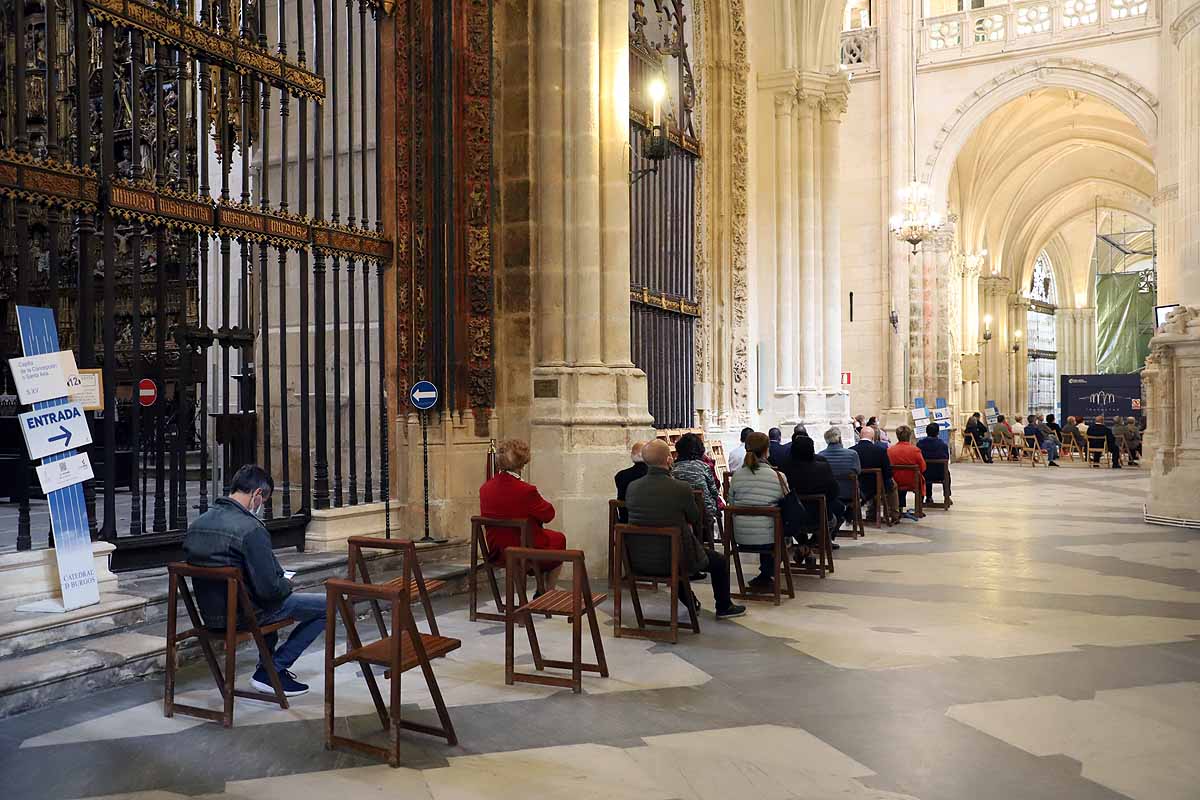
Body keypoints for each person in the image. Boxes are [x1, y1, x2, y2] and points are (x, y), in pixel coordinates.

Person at [183, 465, 321, 696]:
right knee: (327, 605)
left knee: (259, 596)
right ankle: (272, 669)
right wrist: (287, 582)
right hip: (243, 615)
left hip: (209, 615)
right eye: (263, 501)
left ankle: (267, 669)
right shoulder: (250, 529)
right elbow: (271, 590)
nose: (260, 507)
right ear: (257, 494)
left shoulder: (198, 524)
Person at [625, 440, 746, 619]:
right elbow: (695, 518)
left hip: (639, 560)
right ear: (668, 460)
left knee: (671, 551)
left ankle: (690, 602)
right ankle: (724, 606)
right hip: (674, 558)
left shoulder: (632, 487)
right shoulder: (680, 488)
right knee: (718, 561)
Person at [479, 439, 568, 589]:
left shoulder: (485, 488)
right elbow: (548, 515)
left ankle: (528, 592)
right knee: (559, 539)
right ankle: (546, 591)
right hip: (524, 550)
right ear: (522, 463)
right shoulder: (526, 490)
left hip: (497, 551)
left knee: (546, 537)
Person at [728, 432, 788, 591]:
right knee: (779, 530)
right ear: (767, 450)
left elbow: (731, 503)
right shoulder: (778, 476)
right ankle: (766, 575)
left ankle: (764, 576)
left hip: (740, 536)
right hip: (769, 537)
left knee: (767, 525)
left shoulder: (737, 476)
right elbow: (785, 504)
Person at [783, 435, 843, 550]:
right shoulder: (822, 467)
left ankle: (803, 545)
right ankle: (809, 546)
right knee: (833, 516)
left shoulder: (785, 468)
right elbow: (834, 492)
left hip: (792, 517)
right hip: (818, 517)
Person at [671, 433, 722, 542]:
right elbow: (714, 491)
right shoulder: (703, 467)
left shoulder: (673, 469)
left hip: (680, 514)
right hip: (704, 513)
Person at [818, 427, 860, 530]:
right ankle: (846, 516)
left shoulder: (820, 455)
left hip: (829, 495)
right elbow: (857, 472)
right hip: (848, 493)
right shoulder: (852, 454)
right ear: (840, 439)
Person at [851, 425, 894, 519]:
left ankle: (871, 512)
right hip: (876, 486)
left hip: (858, 486)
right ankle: (893, 514)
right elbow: (888, 473)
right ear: (873, 437)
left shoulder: (851, 450)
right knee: (892, 484)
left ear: (860, 436)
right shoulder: (880, 451)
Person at [887, 425, 926, 515]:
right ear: (909, 436)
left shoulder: (890, 450)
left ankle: (899, 508)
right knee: (921, 479)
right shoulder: (915, 450)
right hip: (912, 481)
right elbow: (923, 467)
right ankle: (919, 509)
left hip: (895, 481)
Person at [917, 422, 952, 504]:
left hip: (924, 474)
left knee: (926, 468)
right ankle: (947, 496)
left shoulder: (920, 444)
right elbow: (946, 458)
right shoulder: (942, 445)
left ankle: (928, 496)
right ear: (938, 433)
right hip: (940, 474)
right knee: (947, 473)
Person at [614, 441, 649, 522]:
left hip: (626, 521)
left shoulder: (621, 475)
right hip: (650, 524)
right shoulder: (654, 475)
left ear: (632, 455)